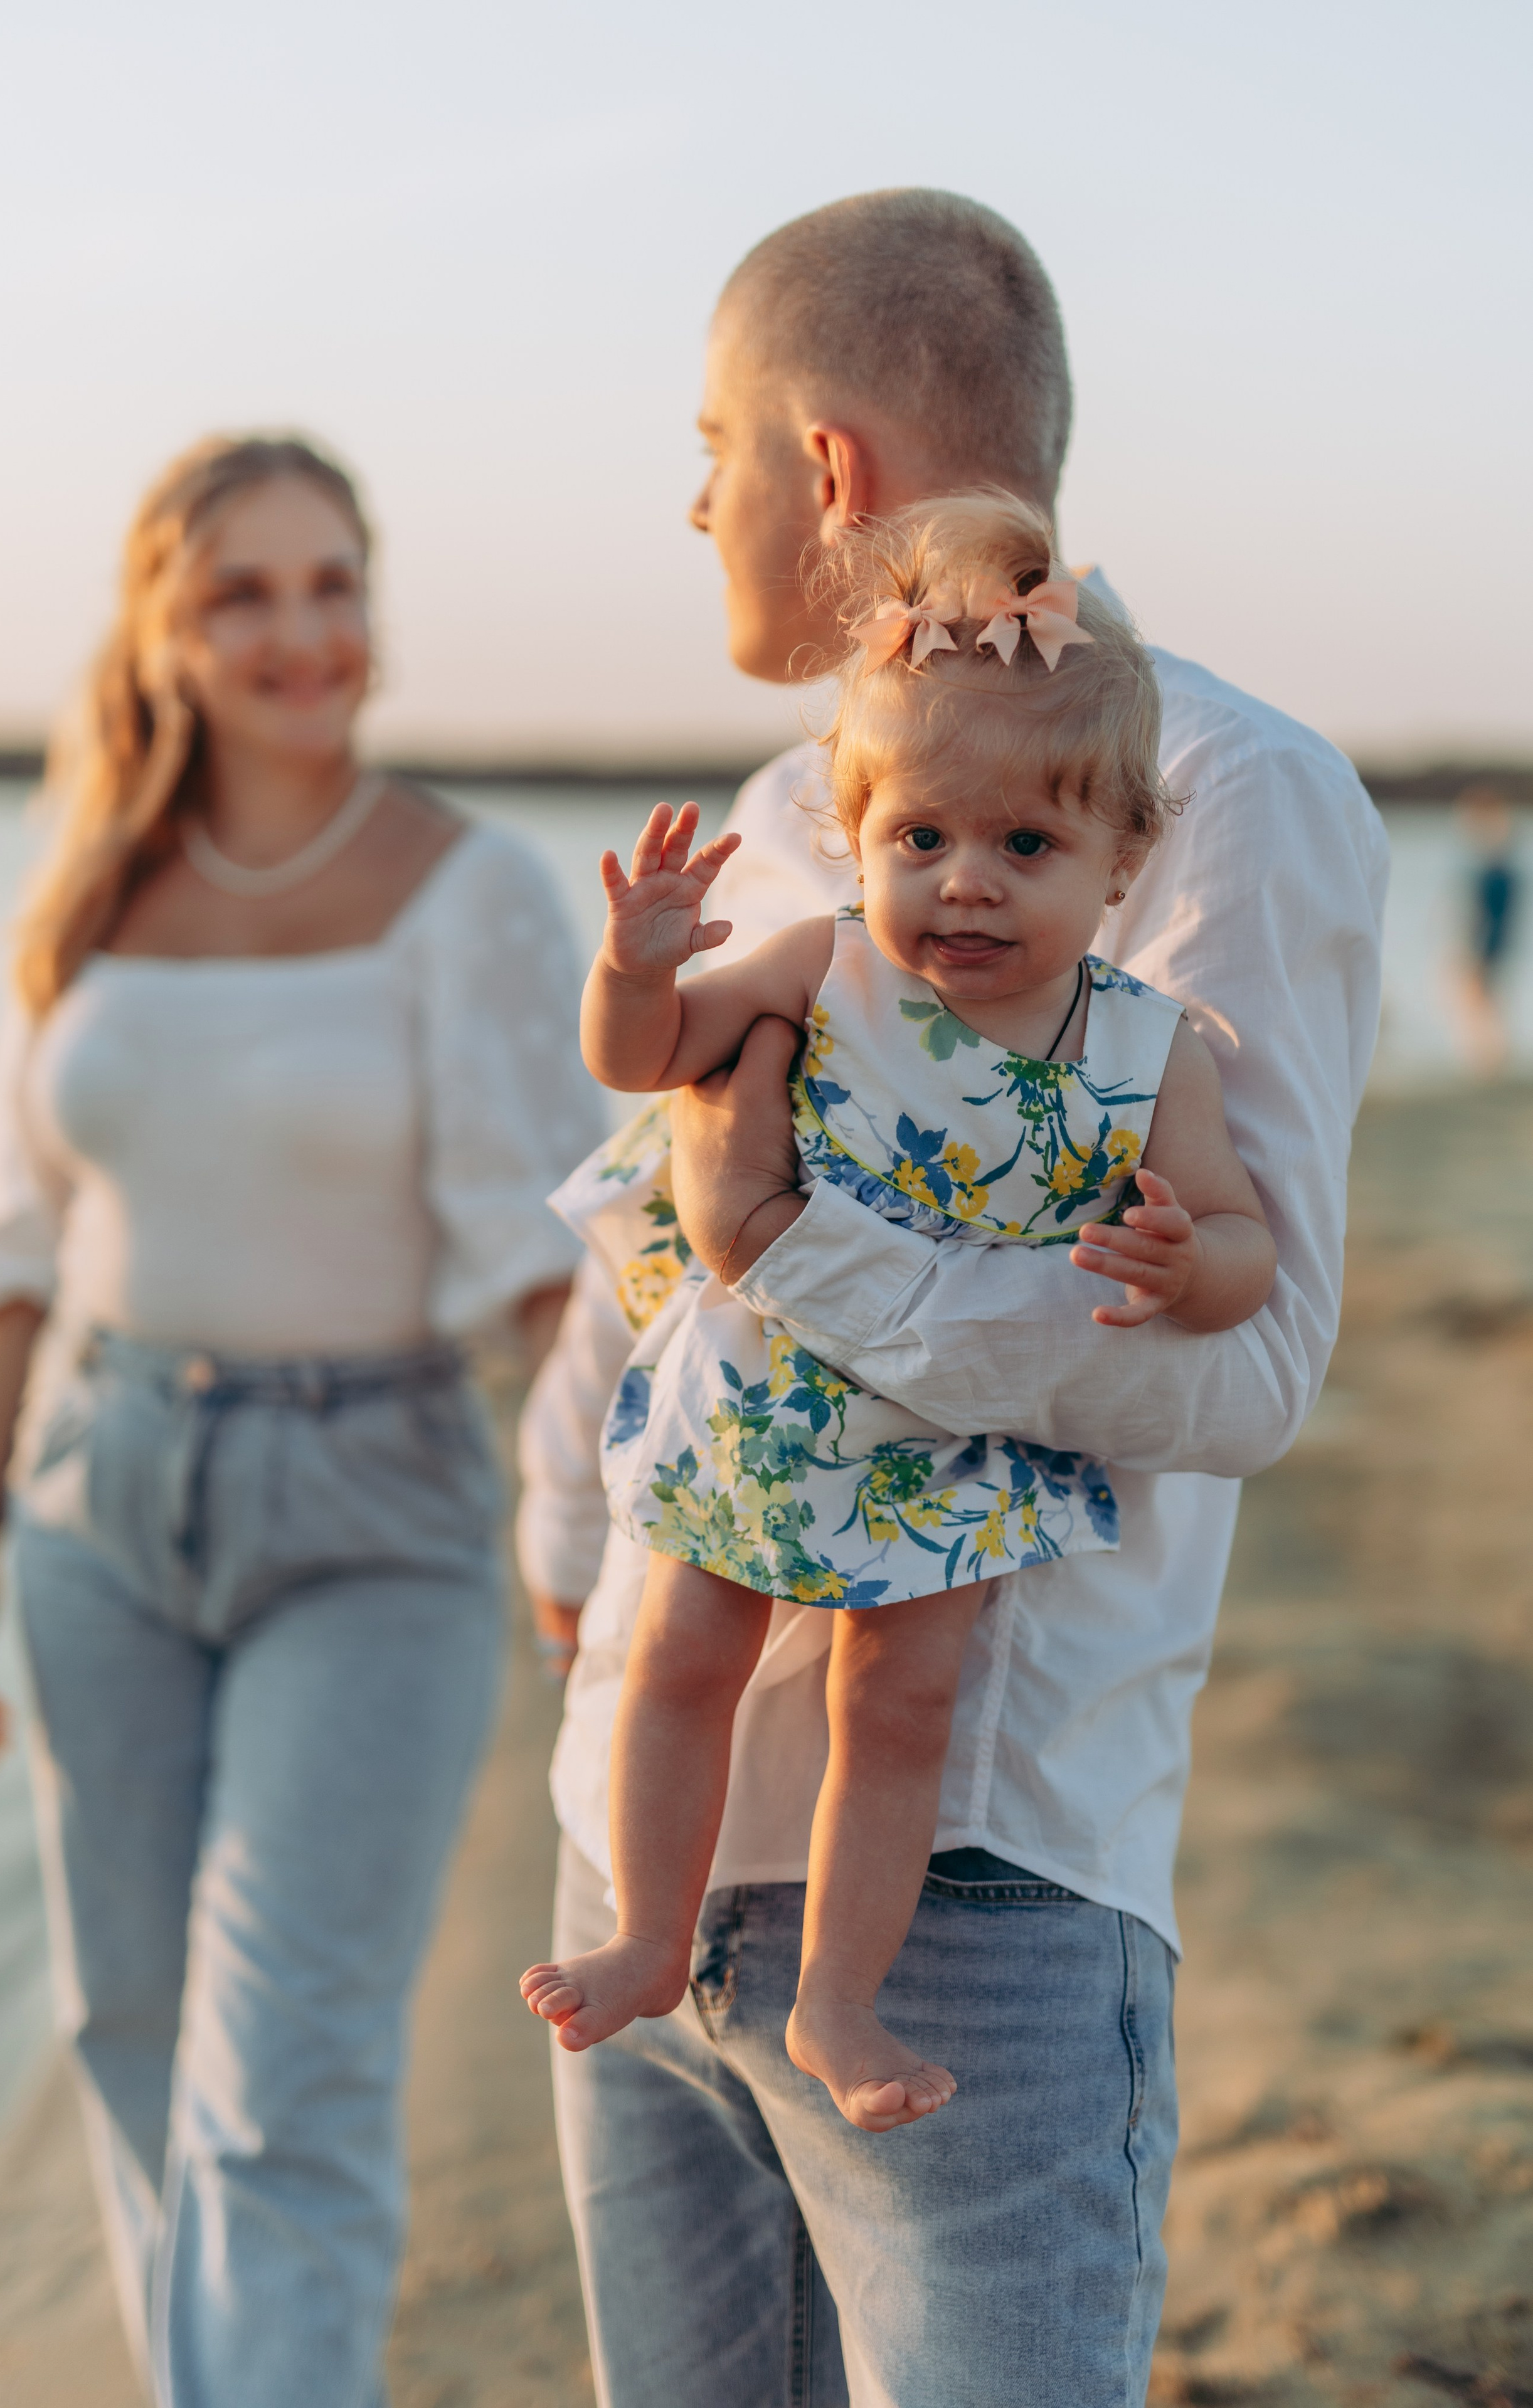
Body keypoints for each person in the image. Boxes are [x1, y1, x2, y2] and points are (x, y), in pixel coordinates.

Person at [519, 191, 1388, 2407]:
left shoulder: (1223, 794)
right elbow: (645, 1220)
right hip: (645, 1840)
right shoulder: (782, 808)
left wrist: (790, 1247)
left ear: (818, 470)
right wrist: (560, 1541)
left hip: (977, 1875)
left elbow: (1241, 1365)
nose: (690, 497)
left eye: (709, 444)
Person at [0, 435, 603, 2408]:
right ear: (164, 625)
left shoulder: (467, 888)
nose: (302, 633)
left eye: (334, 582)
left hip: (370, 1505)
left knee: (282, 2078)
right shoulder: (93, 879)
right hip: (99, 1498)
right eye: (245, 591)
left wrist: (621, 1532)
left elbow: (546, 1263)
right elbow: (13, 1241)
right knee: (129, 2036)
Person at [520, 490, 1276, 2133]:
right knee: (682, 1656)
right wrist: (640, 967)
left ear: (1122, 861)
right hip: (773, 1393)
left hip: (952, 1437)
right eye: (919, 838)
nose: (965, 887)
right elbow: (645, 1062)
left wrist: (1184, 1266)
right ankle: (654, 1934)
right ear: (859, 834)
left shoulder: (1151, 1056)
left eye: (1028, 846)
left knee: (901, 1706)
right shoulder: (823, 963)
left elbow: (1245, 1251)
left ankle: (839, 2005)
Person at [1453, 781, 1521, 1076]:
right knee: (1485, 1000)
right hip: (1492, 941)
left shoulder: (1498, 865)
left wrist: (1477, 946)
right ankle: (1488, 1059)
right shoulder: (1497, 861)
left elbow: (1491, 914)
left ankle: (1488, 1061)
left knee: (1483, 1000)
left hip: (1488, 943)